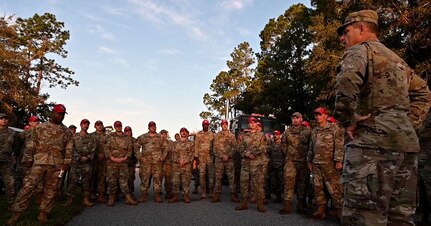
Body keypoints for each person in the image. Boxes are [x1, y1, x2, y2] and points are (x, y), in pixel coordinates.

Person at [334, 9, 431, 225]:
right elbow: (424, 92)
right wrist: (408, 124)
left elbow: (347, 82)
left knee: (364, 216)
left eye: (345, 31)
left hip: (371, 149)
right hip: (404, 150)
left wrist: (347, 119)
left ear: (362, 28)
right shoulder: (398, 62)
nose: (342, 38)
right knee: (400, 218)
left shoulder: (360, 51)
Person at [7, 104, 73, 224]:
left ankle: (43, 213)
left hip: (57, 165)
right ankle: (16, 214)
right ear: (53, 113)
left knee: (51, 190)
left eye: (63, 114)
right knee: (27, 187)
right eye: (59, 113)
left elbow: (69, 148)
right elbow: (31, 144)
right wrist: (28, 159)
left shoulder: (67, 131)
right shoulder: (41, 128)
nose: (61, 116)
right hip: (39, 162)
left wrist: (67, 162)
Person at [307, 107, 344, 220]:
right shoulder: (314, 130)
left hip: (330, 164)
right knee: (318, 188)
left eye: (320, 114)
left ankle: (341, 212)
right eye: (316, 114)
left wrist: (339, 160)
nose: (317, 116)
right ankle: (321, 210)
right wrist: (309, 160)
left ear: (325, 116)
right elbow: (311, 147)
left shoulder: (334, 128)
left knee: (334, 189)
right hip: (316, 164)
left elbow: (339, 145)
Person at [279, 112, 311, 215]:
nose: (295, 120)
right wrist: (288, 154)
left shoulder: (307, 131)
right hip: (291, 161)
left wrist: (308, 158)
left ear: (301, 119)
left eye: (297, 118)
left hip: (303, 161)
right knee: (288, 182)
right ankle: (287, 205)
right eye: (293, 118)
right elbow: (283, 144)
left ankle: (300, 204)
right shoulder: (287, 132)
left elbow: (311, 145)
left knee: (302, 183)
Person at [235, 117, 267, 213]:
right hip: (245, 163)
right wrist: (245, 153)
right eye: (250, 123)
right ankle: (244, 203)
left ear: (257, 124)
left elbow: (263, 147)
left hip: (256, 163)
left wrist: (253, 153)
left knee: (258, 184)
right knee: (243, 183)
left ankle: (260, 204)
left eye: (253, 122)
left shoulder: (261, 135)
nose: (251, 124)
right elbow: (239, 147)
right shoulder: (245, 136)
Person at [64, 119, 97, 207]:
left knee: (86, 181)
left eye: (87, 124)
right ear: (81, 125)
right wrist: (78, 157)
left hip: (87, 163)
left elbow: (94, 150)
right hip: (76, 162)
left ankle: (85, 199)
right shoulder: (75, 137)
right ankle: (69, 199)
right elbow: (71, 148)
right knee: (72, 181)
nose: (86, 126)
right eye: (84, 124)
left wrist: (88, 157)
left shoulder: (92, 138)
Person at [104, 121, 137, 206]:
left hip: (123, 162)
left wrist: (125, 158)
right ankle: (111, 198)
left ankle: (128, 198)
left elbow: (130, 149)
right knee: (112, 180)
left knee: (124, 180)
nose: (119, 127)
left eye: (120, 126)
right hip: (112, 163)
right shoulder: (110, 136)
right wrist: (113, 158)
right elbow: (106, 148)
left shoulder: (127, 137)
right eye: (117, 126)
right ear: (115, 127)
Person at [135, 121, 168, 203]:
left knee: (157, 179)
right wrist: (140, 157)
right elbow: (136, 147)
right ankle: (143, 195)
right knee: (145, 179)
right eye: (151, 126)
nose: (153, 127)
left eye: (154, 126)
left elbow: (166, 148)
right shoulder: (143, 137)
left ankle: (157, 195)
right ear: (148, 127)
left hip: (157, 162)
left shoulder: (160, 137)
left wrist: (162, 157)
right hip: (146, 163)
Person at [212, 119, 239, 203]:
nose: (224, 125)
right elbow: (215, 148)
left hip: (229, 159)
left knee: (231, 177)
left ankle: (233, 194)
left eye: (225, 124)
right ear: (221, 125)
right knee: (218, 177)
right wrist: (221, 156)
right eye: (223, 124)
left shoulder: (232, 136)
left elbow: (234, 147)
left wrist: (228, 155)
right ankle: (217, 194)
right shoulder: (217, 135)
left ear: (227, 125)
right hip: (219, 160)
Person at [169, 127, 194, 203]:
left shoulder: (191, 143)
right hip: (176, 165)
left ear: (187, 133)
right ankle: (175, 196)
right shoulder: (174, 143)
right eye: (182, 131)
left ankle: (186, 196)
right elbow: (172, 154)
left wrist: (185, 161)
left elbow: (192, 154)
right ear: (180, 133)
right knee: (175, 181)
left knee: (186, 181)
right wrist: (178, 161)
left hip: (187, 166)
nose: (183, 133)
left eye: (185, 131)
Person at [16, 116, 40, 192]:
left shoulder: (41, 133)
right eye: (35, 121)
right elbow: (17, 146)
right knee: (22, 177)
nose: (37, 122)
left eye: (38, 121)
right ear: (30, 123)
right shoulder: (23, 134)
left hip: (36, 159)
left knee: (36, 178)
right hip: (24, 160)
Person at [0, 113, 19, 209]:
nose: (4, 120)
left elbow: (15, 148)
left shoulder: (13, 133)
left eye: (6, 118)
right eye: (1, 118)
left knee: (11, 183)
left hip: (7, 162)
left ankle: (11, 204)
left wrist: (14, 158)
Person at [194, 120, 215, 199]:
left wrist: (215, 155)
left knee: (211, 175)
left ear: (208, 125)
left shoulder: (212, 134)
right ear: (202, 125)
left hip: (210, 157)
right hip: (201, 158)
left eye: (207, 124)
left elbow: (214, 146)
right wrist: (196, 157)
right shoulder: (199, 134)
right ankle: (203, 191)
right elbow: (196, 145)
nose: (206, 126)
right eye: (204, 124)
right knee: (202, 175)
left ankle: (211, 190)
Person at [91, 120, 108, 203]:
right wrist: (96, 155)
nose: (99, 126)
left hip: (104, 161)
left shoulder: (107, 136)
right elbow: (89, 148)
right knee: (93, 177)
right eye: (98, 125)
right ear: (95, 126)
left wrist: (104, 155)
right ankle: (93, 194)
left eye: (101, 125)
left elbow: (110, 147)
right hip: (93, 160)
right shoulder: (91, 136)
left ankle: (101, 195)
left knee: (102, 178)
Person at [267, 130, 285, 203]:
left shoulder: (282, 144)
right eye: (274, 134)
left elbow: (285, 154)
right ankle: (278, 197)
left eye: (277, 134)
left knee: (281, 182)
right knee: (274, 182)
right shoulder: (271, 144)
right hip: (273, 165)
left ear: (279, 135)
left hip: (280, 165)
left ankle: (283, 197)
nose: (275, 136)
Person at [124, 126, 138, 197]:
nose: (128, 132)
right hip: (123, 162)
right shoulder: (122, 140)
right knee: (123, 178)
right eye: (126, 131)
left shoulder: (134, 140)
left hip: (131, 162)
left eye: (129, 131)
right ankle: (123, 192)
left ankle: (130, 193)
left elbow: (137, 151)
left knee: (131, 178)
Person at [160, 129, 174, 199]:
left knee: (168, 179)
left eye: (165, 134)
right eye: (162, 134)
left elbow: (174, 151)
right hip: (159, 164)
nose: (164, 135)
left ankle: (168, 192)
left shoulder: (171, 142)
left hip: (168, 163)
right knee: (158, 179)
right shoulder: (158, 143)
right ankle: (158, 192)